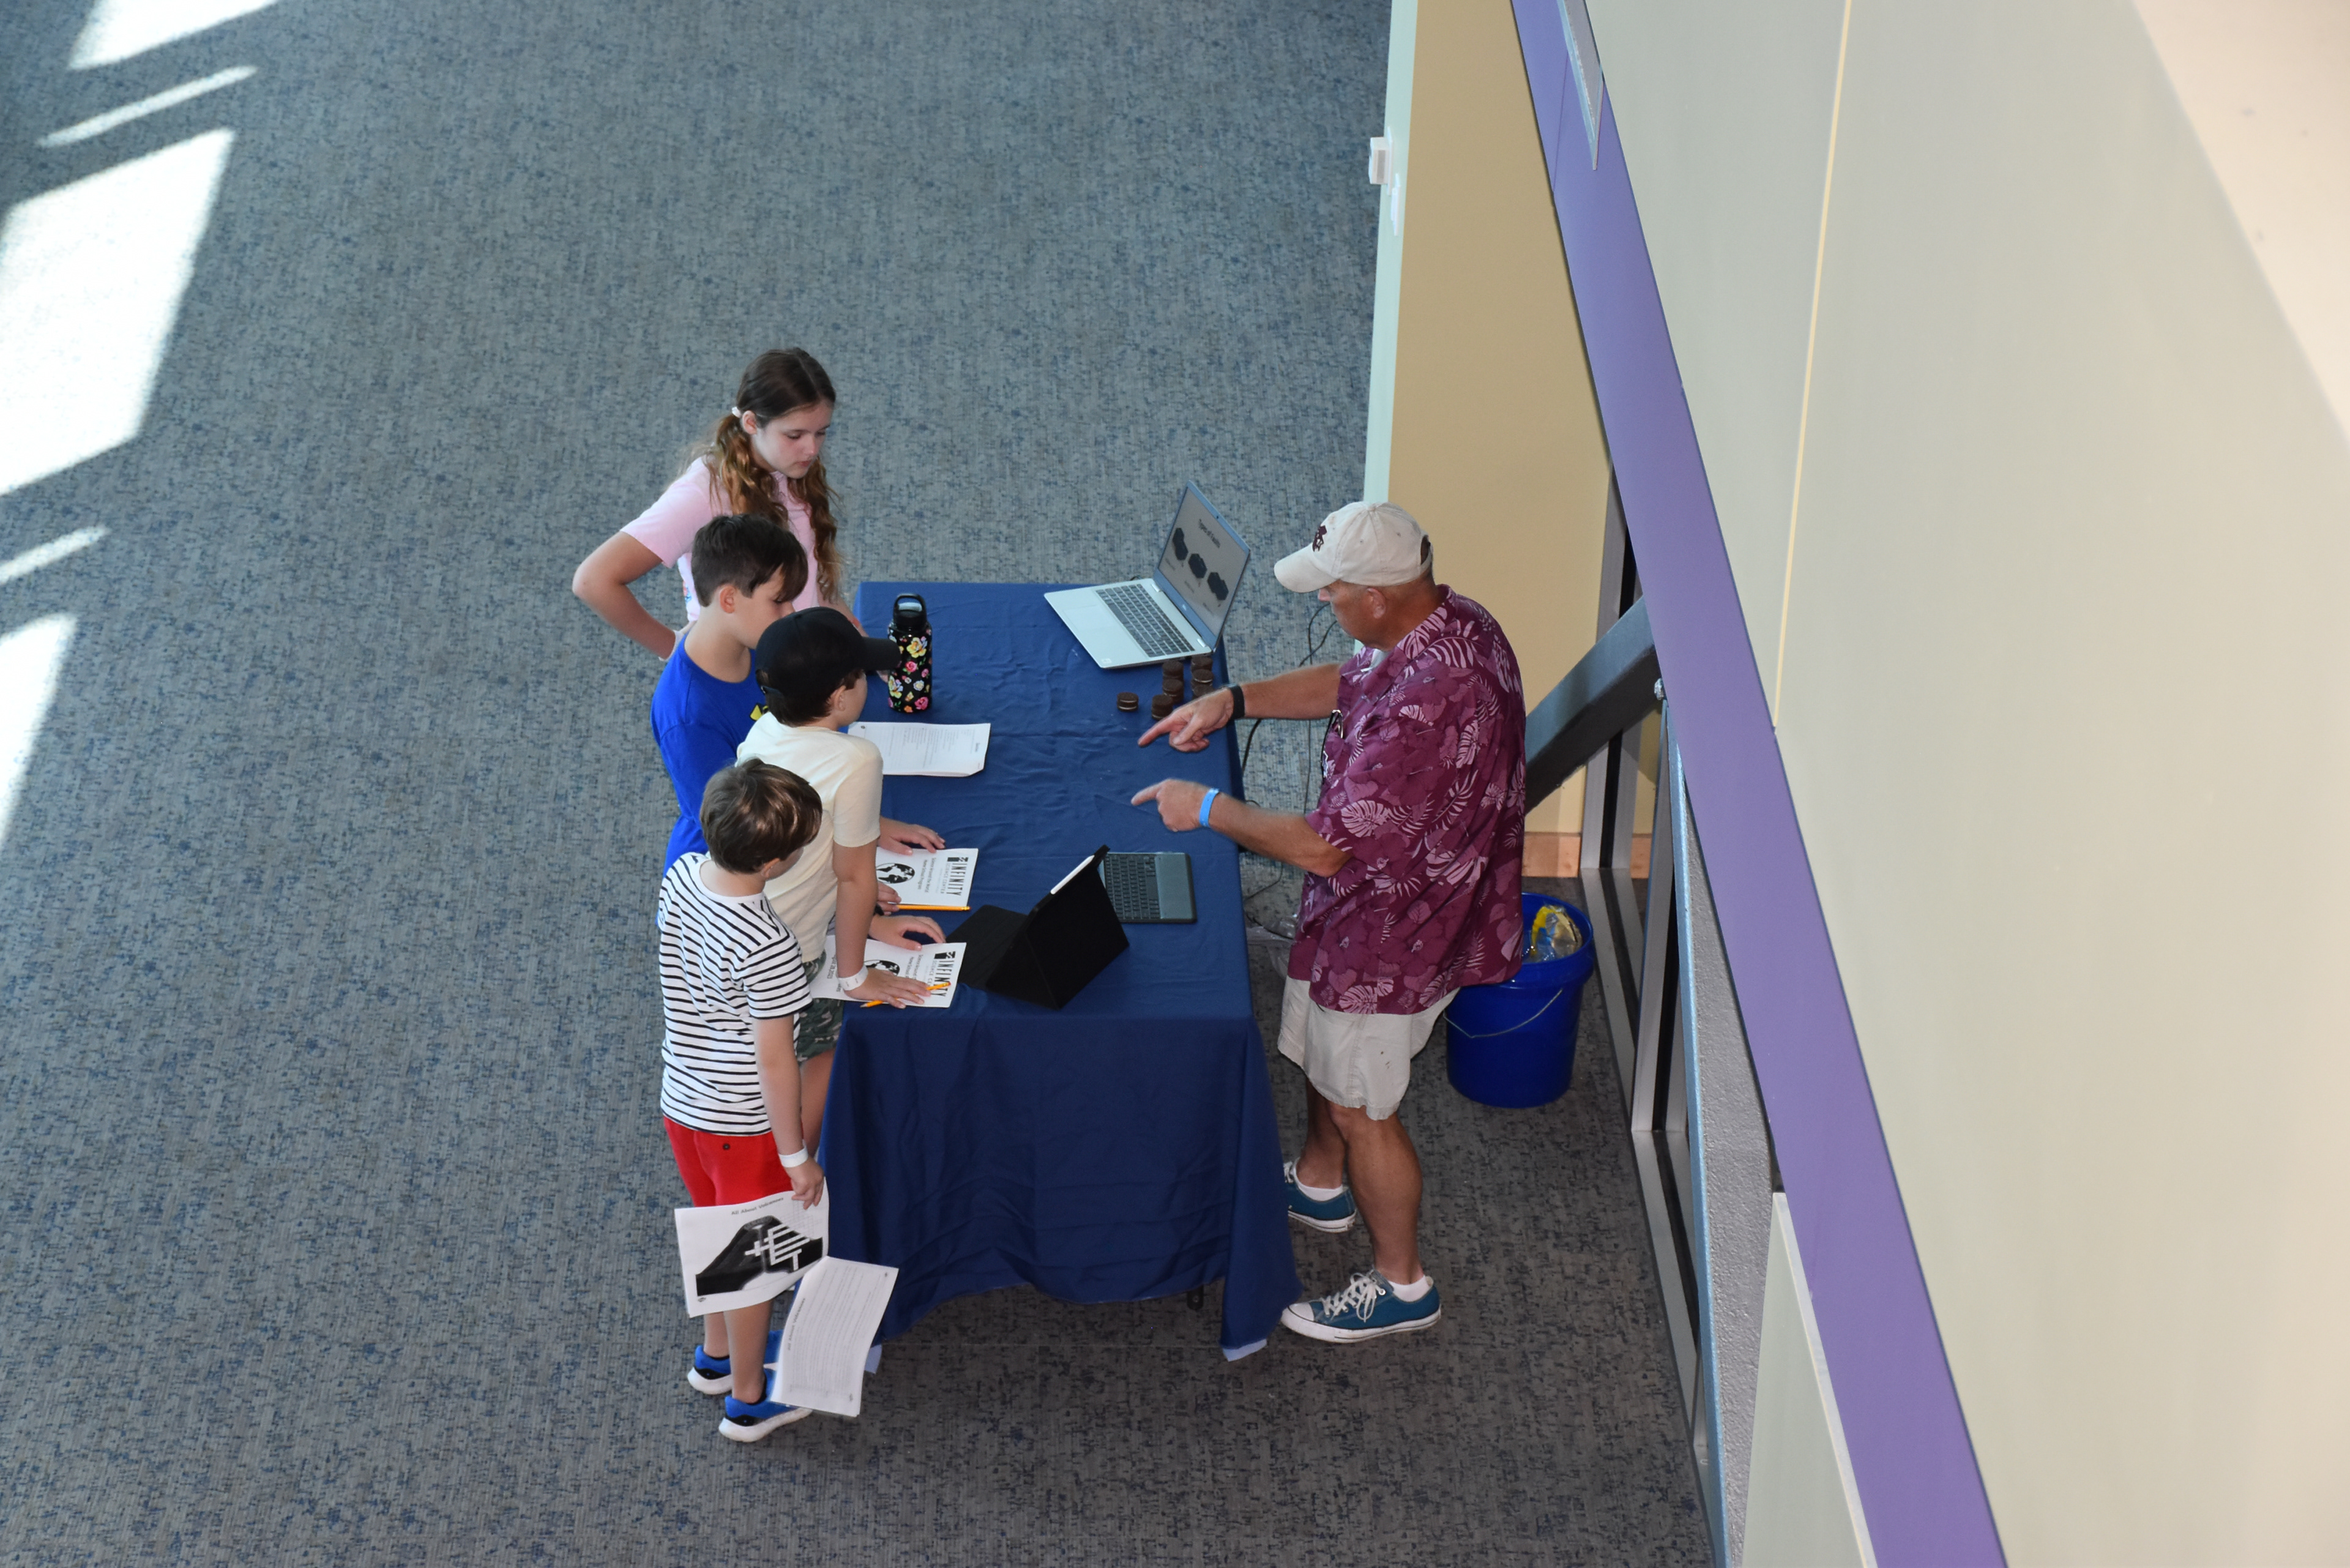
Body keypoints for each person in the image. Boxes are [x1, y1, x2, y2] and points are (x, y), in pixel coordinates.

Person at [1132, 500, 1526, 1344]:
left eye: (1332, 591)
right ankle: (1318, 1183)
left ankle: (1402, 1283)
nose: (1324, 603)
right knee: (1324, 1054)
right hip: (1362, 912)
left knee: (1364, 1107)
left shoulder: (1432, 701)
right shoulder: (1448, 621)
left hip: (1395, 933)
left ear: (1379, 594)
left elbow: (1320, 850)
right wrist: (1232, 701)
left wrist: (1204, 806)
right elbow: (1350, 681)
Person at [656, 759, 826, 1441]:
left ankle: (717, 1358)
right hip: (744, 1122)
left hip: (683, 1100)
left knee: (715, 1231)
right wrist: (796, 1157)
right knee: (756, 1264)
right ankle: (749, 1399)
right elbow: (776, 1058)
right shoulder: (769, 943)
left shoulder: (679, 878)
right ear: (779, 862)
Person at [737, 608, 949, 1138]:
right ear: (839, 697)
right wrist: (854, 976)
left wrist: (874, 924)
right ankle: (794, 1173)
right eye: (862, 676)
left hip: (747, 919)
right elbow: (855, 876)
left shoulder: (762, 731)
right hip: (793, 949)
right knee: (824, 1051)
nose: (870, 684)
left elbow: (808, 842)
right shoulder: (857, 759)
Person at [572, 348, 849, 657]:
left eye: (821, 432)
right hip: (749, 673)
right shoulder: (703, 493)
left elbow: (812, 584)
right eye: (795, 435)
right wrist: (676, 650)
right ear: (752, 423)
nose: (812, 449)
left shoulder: (791, 468)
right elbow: (593, 580)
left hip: (799, 654)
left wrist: (863, 649)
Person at [651, 515, 807, 872]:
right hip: (736, 873)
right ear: (729, 600)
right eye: (779, 602)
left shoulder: (756, 643)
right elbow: (740, 831)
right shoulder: (688, 718)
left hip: (789, 822)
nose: (791, 614)